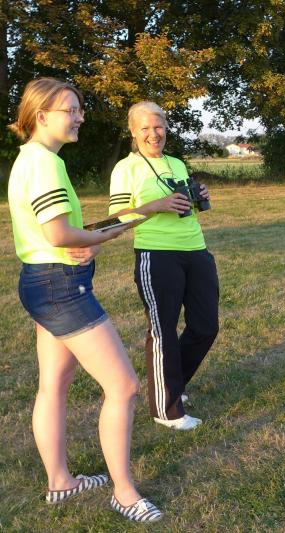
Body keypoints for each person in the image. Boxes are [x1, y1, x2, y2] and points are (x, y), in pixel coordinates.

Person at [8, 78, 162, 522]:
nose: (79, 117)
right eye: (70, 110)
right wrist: (101, 237)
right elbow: (59, 234)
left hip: (41, 280)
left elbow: (57, 232)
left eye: (79, 109)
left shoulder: (31, 158)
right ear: (41, 115)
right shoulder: (45, 164)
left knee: (53, 384)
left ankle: (61, 482)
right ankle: (124, 493)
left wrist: (95, 235)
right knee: (124, 386)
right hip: (60, 286)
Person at [108, 101, 218, 431]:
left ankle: (171, 383)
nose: (153, 134)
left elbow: (183, 205)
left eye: (158, 127)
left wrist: (198, 195)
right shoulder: (126, 168)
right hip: (156, 253)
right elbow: (117, 218)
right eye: (145, 128)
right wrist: (157, 205)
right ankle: (166, 410)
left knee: (206, 326)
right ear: (133, 131)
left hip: (195, 249)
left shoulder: (176, 163)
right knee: (163, 330)